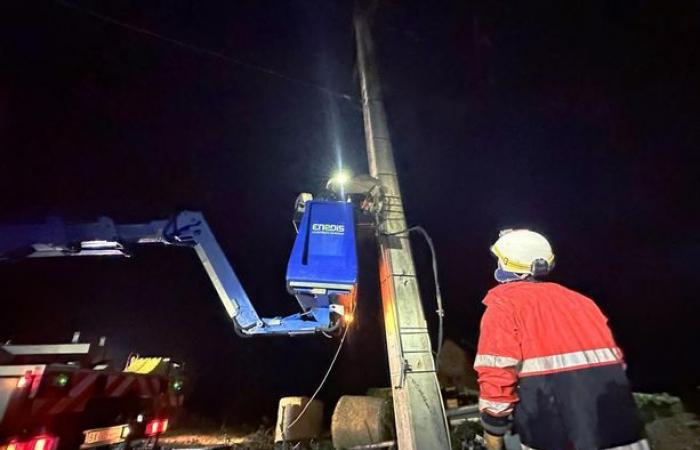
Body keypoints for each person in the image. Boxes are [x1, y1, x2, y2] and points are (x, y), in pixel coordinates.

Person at [474, 229, 648, 450]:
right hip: (622, 431)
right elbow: (617, 363)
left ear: (507, 265)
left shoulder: (504, 307)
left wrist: (493, 431)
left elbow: (496, 376)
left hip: (555, 434)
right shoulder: (583, 303)